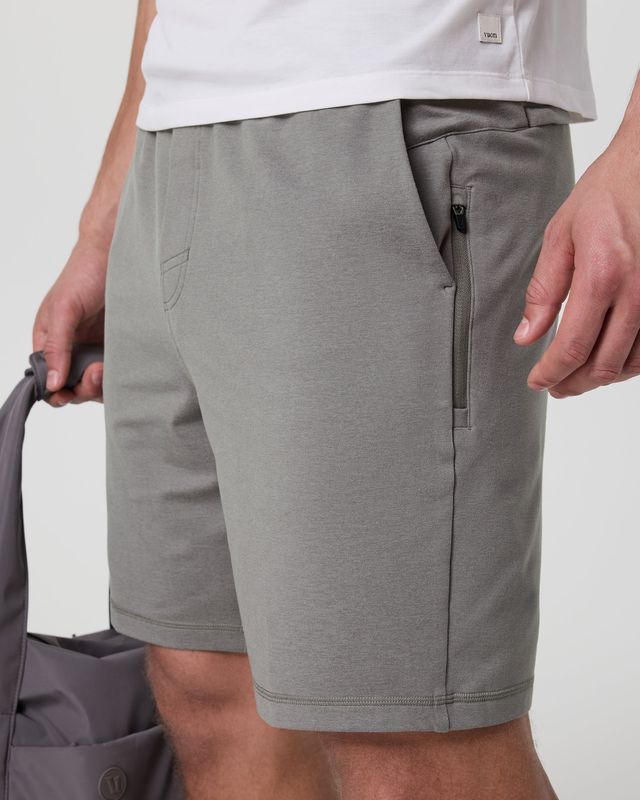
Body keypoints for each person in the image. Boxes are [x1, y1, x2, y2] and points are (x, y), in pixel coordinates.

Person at [31, 2, 640, 798]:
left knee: (404, 734)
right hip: (172, 142)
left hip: (407, 116)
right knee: (206, 684)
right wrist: (104, 225)